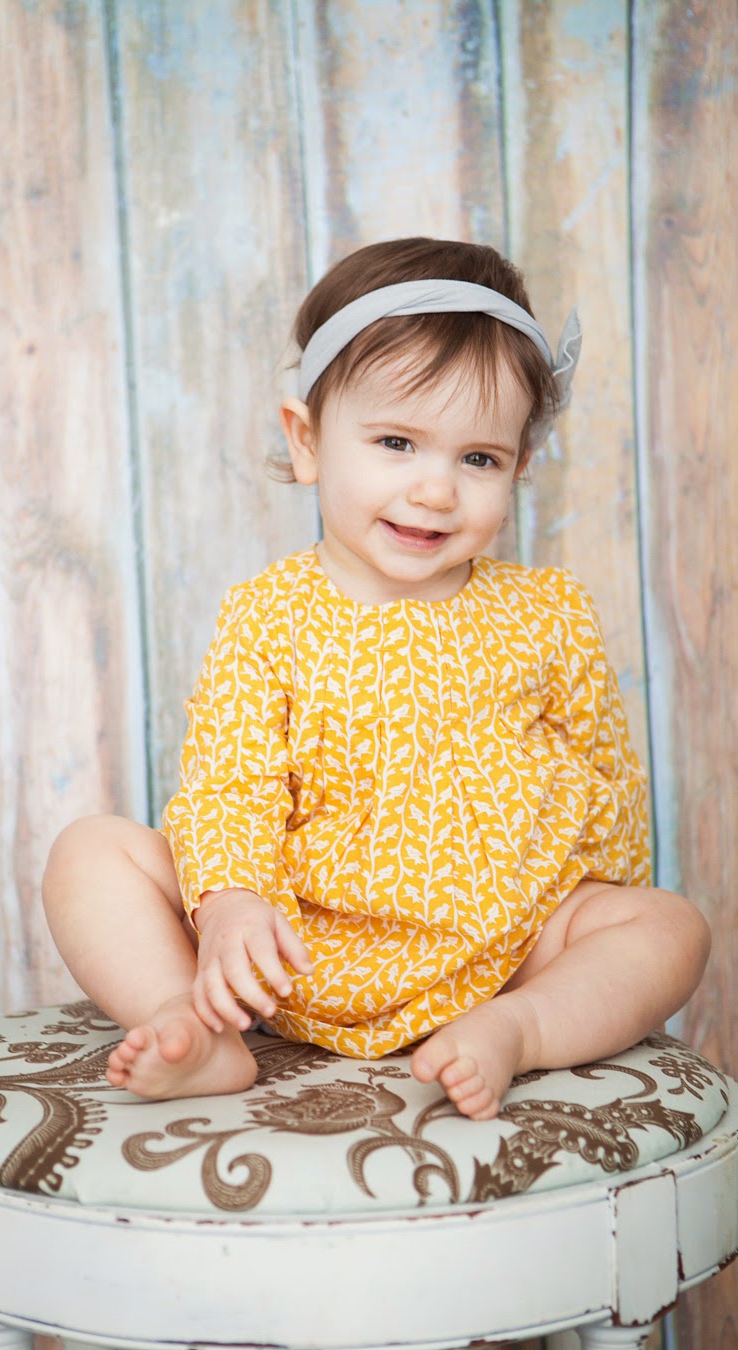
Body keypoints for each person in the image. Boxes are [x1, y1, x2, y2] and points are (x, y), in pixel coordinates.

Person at [42, 237, 710, 1120]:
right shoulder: (269, 614)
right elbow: (229, 782)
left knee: (669, 926)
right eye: (397, 442)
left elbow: (607, 785)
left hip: (503, 948)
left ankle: (520, 1029)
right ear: (308, 440)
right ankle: (190, 1023)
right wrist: (232, 904)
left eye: (479, 458)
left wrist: (589, 922)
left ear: (519, 464)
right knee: (91, 852)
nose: (436, 489)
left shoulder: (550, 612)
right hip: (291, 946)